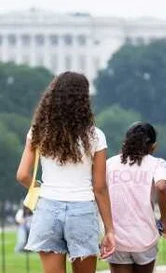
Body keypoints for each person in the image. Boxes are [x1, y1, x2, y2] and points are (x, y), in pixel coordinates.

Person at [15, 72, 117, 272]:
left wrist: (39, 189)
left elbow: (22, 175)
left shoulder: (37, 132)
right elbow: (99, 187)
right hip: (82, 210)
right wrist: (109, 229)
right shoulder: (95, 136)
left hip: (47, 208)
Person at [106, 122, 166, 273]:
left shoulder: (109, 164)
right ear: (153, 146)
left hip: (117, 238)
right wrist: (164, 219)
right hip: (144, 238)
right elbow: (162, 187)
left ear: (125, 142)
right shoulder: (157, 164)